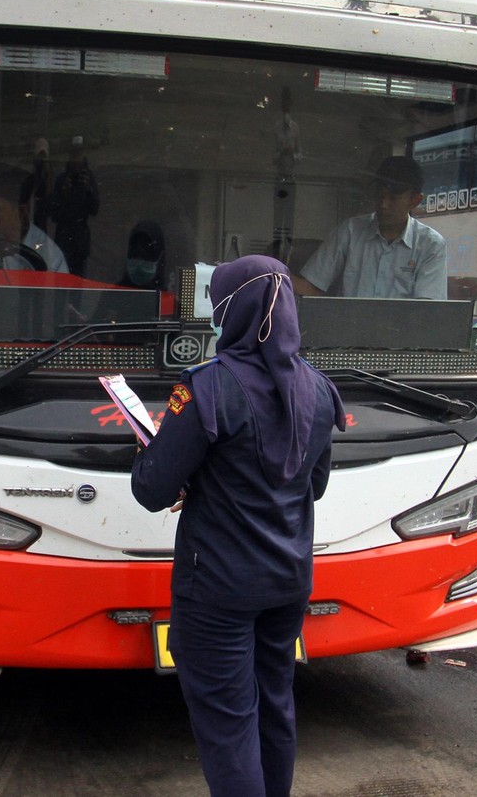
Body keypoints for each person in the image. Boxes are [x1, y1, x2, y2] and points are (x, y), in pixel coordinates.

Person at [131, 255, 345, 797]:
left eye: (218, 309)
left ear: (234, 310)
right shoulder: (318, 390)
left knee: (229, 726)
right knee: (275, 709)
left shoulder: (208, 387)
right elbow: (312, 485)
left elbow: (151, 489)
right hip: (288, 582)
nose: (216, 321)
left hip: (219, 590)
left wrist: (162, 458)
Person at [292, 156, 447, 299]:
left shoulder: (430, 245)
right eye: (380, 195)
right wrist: (274, 272)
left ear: (415, 201)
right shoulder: (349, 232)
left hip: (401, 329)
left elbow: (427, 310)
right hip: (348, 326)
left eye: (393, 198)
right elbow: (312, 288)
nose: (384, 205)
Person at [51, 136, 100, 276]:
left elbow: (95, 209)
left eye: (79, 155)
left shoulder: (88, 178)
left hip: (80, 238)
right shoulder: (62, 179)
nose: (77, 160)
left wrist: (89, 190)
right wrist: (64, 195)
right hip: (64, 237)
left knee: (77, 283)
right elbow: (54, 215)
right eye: (74, 155)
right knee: (61, 282)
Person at [118, 220, 166, 289]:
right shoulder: (113, 294)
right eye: (134, 255)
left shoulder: (168, 297)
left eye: (146, 256)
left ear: (160, 257)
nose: (139, 265)